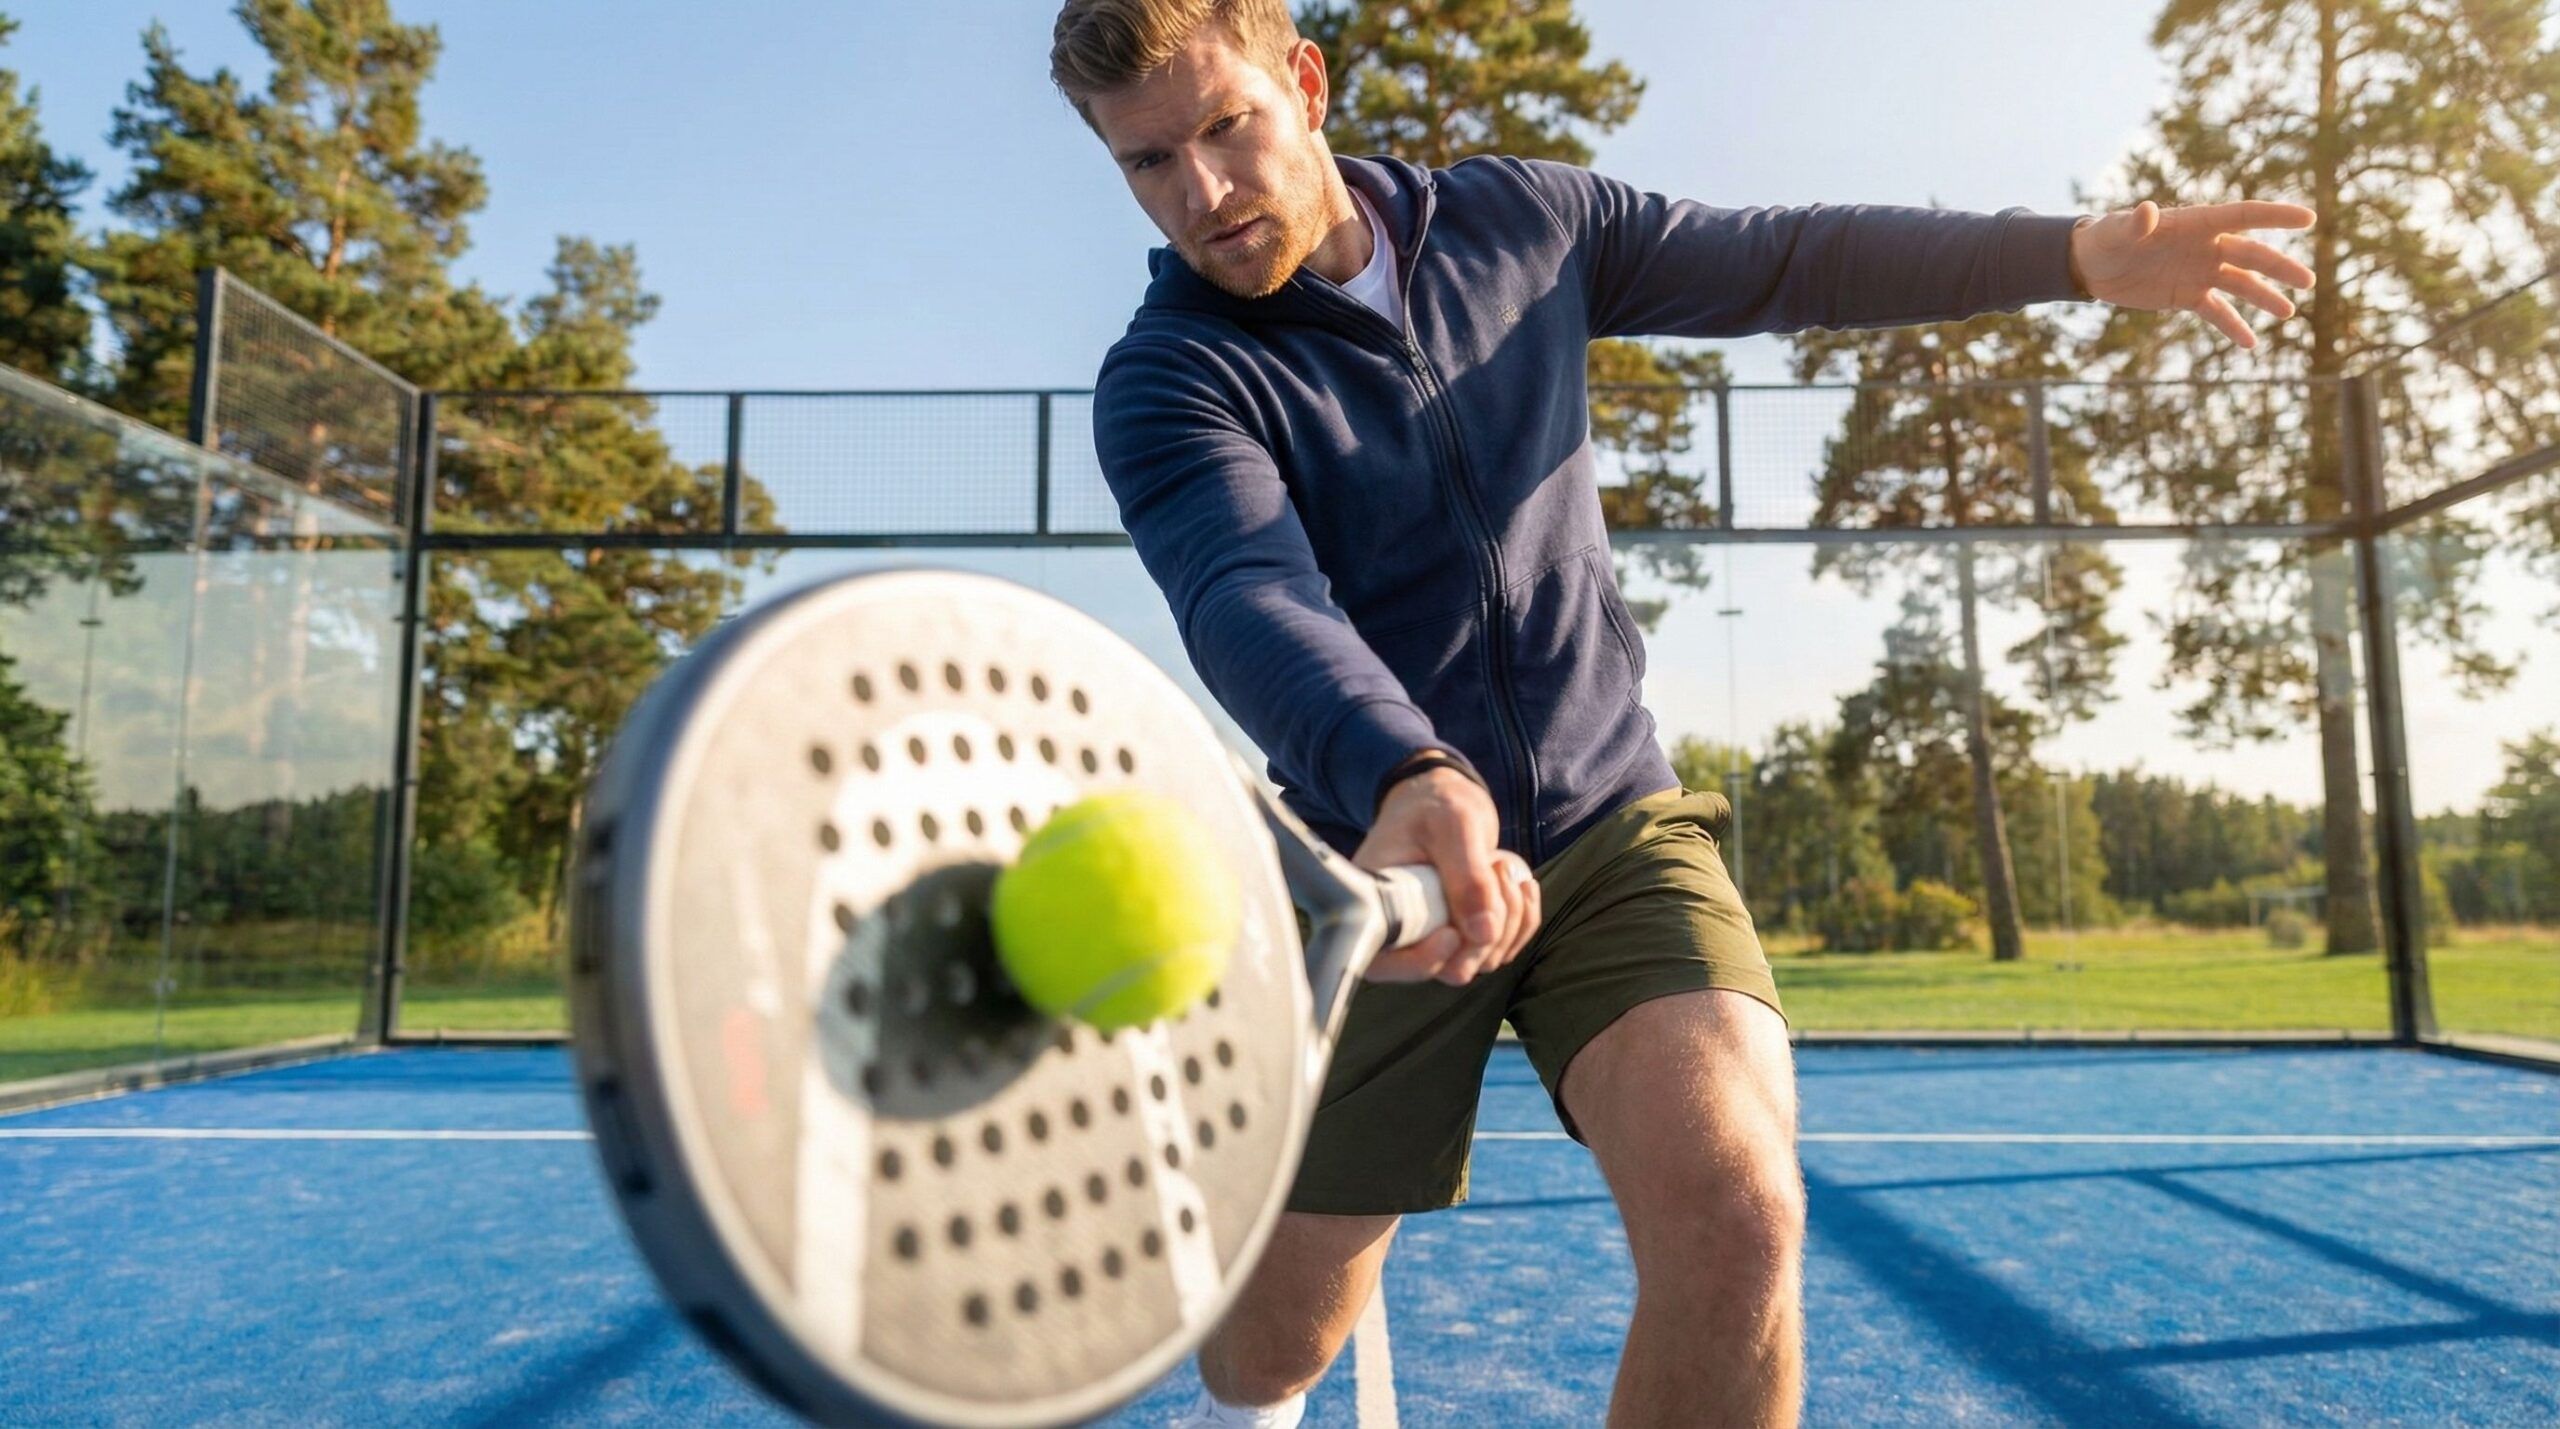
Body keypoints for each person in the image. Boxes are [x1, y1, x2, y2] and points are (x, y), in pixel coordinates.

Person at [1047, 2, 2315, 1424]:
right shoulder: (1169, 380)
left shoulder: (1524, 223)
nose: (1202, 192)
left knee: (1741, 1211)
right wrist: (1406, 766)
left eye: (1228, 128)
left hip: (1611, 827)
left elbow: (1792, 254)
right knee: (1267, 1348)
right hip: (1376, 876)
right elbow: (1246, 592)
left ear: (1306, 81)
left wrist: (2069, 254)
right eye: (1149, 164)